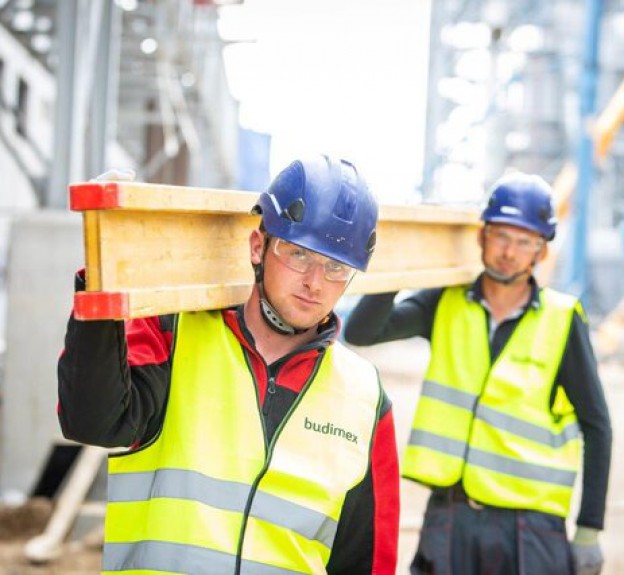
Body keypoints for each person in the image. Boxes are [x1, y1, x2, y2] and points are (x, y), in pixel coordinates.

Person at [57, 155, 400, 574]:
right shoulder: (174, 333)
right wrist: (103, 274)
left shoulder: (365, 396)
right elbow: (91, 421)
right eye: (298, 254)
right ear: (258, 247)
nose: (315, 282)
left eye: (335, 267)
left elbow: (368, 560)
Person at [344, 172, 612, 575]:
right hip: (450, 516)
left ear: (541, 252)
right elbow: (362, 333)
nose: (509, 251)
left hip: (529, 527)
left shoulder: (562, 320)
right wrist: (401, 268)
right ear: (481, 236)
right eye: (501, 236)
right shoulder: (445, 302)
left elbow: (597, 425)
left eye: (525, 241)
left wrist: (589, 528)